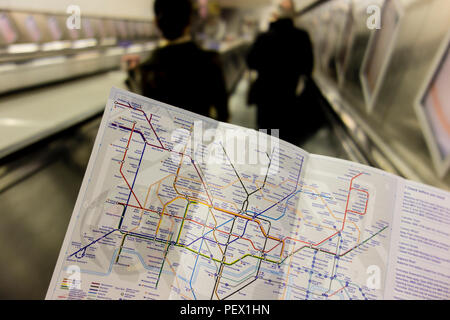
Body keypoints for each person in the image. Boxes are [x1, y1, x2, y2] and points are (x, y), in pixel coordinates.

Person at [126, 0, 229, 122]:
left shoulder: (146, 70)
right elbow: (223, 115)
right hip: (199, 136)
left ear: (156, 22)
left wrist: (132, 72)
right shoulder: (210, 61)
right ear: (190, 21)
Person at [246, 1, 318, 144]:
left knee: (265, 139)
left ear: (275, 16)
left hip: (266, 99)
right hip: (289, 99)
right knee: (286, 141)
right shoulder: (302, 37)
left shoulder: (264, 37)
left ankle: (265, 162)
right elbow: (308, 68)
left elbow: (250, 62)